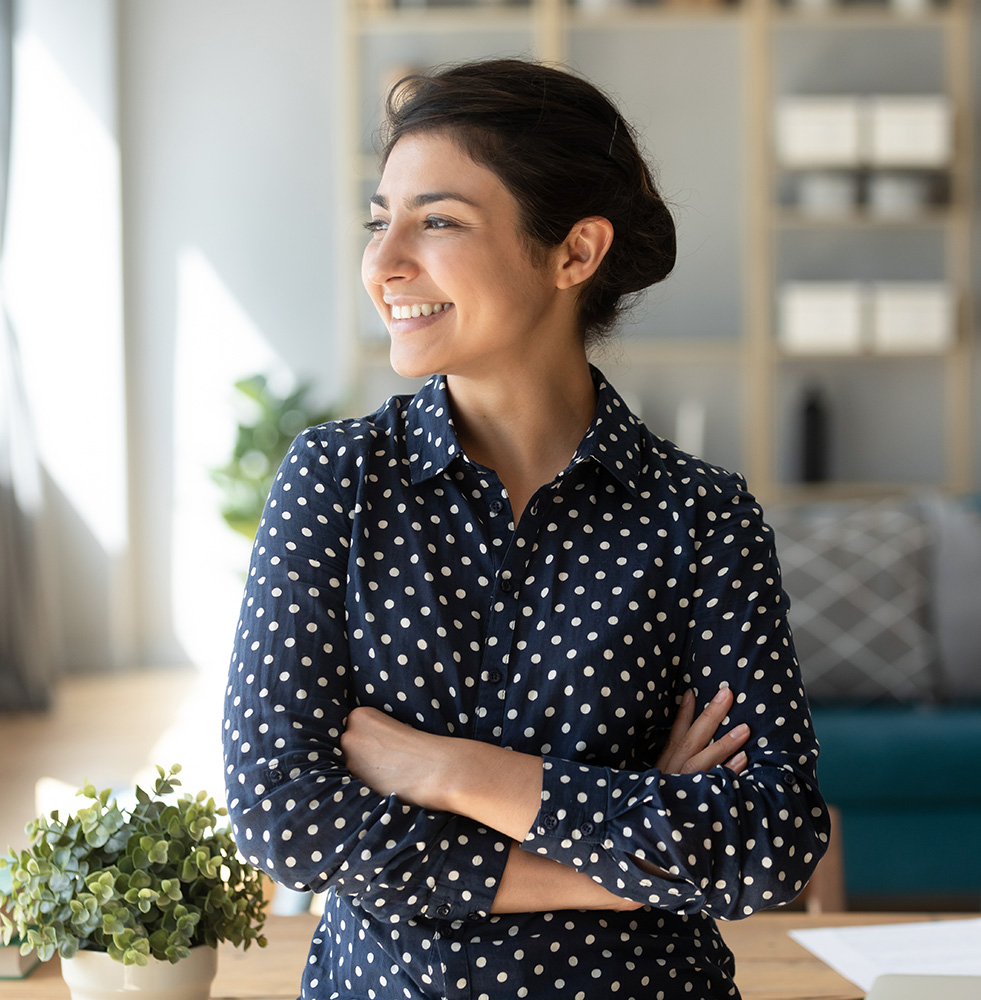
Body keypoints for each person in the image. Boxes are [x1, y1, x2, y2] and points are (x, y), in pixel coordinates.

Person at [223, 58, 830, 1000]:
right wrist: (628, 869)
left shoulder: (701, 517)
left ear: (573, 254)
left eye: (438, 220)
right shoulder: (336, 484)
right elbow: (284, 815)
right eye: (381, 218)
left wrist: (445, 769)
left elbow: (769, 840)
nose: (383, 264)